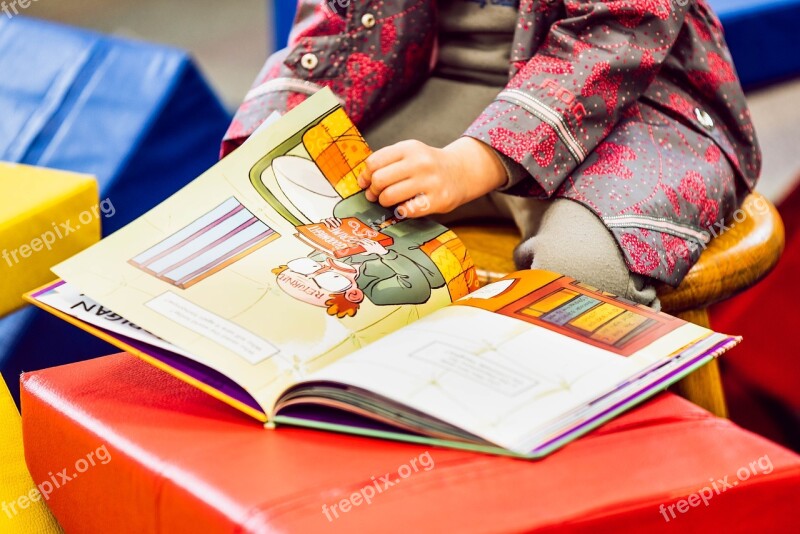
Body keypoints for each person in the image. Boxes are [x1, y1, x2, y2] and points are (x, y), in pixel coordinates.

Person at [222, 0, 760, 309]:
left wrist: (470, 164)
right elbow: (339, 29)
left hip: (643, 105)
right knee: (287, 196)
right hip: (448, 88)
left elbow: (618, 35)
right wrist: (267, 140)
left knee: (578, 276)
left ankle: (571, 464)